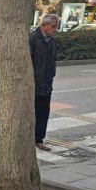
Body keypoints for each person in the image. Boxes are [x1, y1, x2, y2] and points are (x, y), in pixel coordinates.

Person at [30, 13, 59, 151]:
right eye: (53, 26)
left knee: (43, 113)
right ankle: (28, 139)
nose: (55, 29)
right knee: (30, 114)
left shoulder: (51, 41)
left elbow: (52, 62)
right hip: (33, 84)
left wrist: (52, 75)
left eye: (56, 26)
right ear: (44, 25)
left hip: (46, 84)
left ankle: (39, 139)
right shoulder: (33, 38)